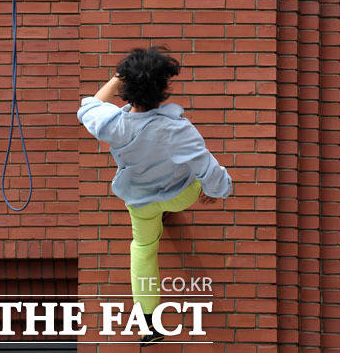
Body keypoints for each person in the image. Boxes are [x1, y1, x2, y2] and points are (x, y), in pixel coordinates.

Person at [77, 47, 232, 346]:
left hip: (141, 200)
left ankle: (150, 323)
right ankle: (173, 208)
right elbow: (209, 169)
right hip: (180, 196)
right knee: (197, 178)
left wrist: (117, 78)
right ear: (163, 88)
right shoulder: (178, 129)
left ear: (126, 89)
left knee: (143, 247)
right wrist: (214, 192)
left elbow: (87, 107)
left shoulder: (113, 125)